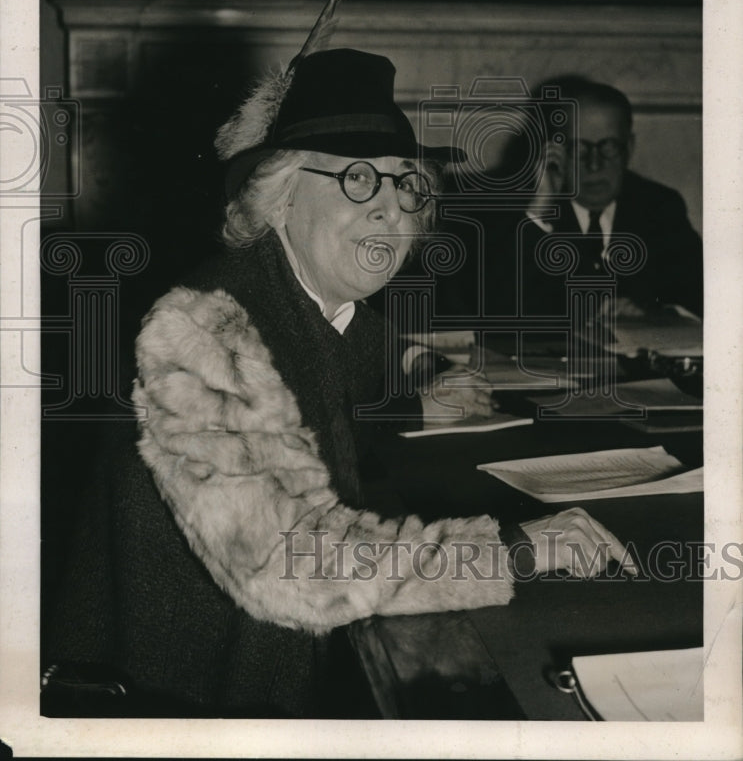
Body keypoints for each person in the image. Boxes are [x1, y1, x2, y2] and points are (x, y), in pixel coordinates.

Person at [44, 49, 634, 719]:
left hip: (269, 676)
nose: (391, 212)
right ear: (280, 193)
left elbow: (371, 357)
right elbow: (291, 569)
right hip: (174, 709)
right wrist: (518, 548)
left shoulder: (316, 303)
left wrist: (417, 375)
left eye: (405, 185)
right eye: (359, 181)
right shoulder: (204, 329)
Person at [519, 75, 703, 320]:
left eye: (608, 147)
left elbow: (701, 299)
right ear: (556, 151)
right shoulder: (528, 211)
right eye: (579, 148)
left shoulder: (660, 208)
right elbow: (496, 307)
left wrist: (650, 315)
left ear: (629, 148)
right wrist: (538, 212)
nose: (594, 165)